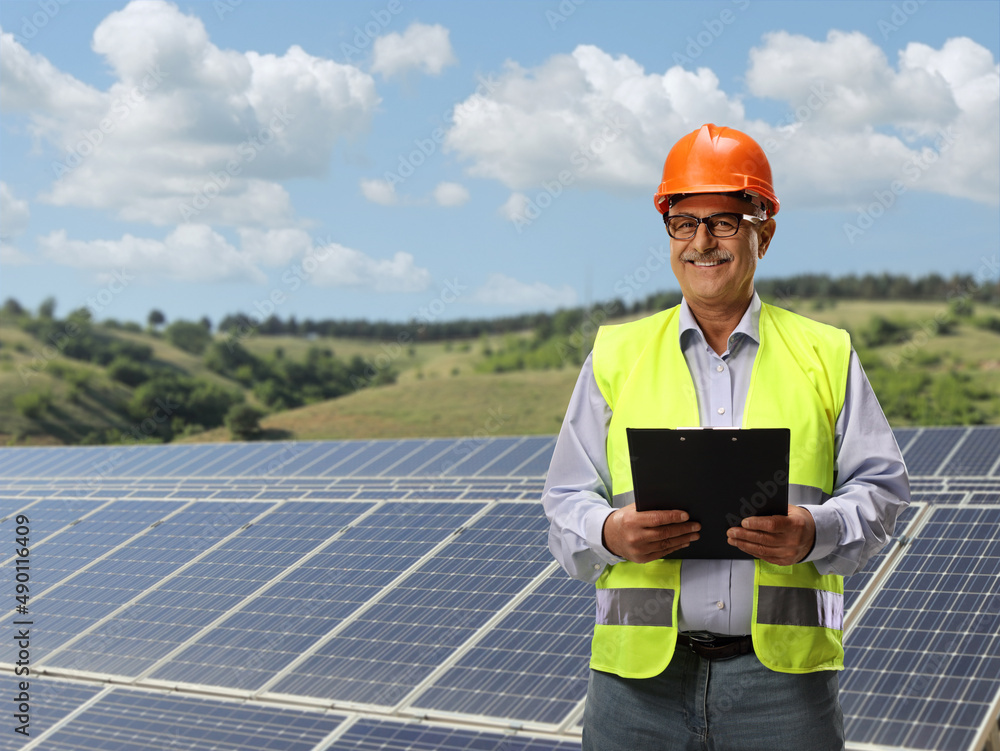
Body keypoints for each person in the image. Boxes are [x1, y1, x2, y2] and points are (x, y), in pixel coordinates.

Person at [542, 123, 909, 751]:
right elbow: (564, 501)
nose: (703, 242)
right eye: (684, 223)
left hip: (783, 689)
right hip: (636, 690)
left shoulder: (826, 352)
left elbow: (882, 491)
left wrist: (814, 532)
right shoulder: (616, 354)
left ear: (763, 230)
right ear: (669, 234)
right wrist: (609, 533)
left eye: (725, 222)